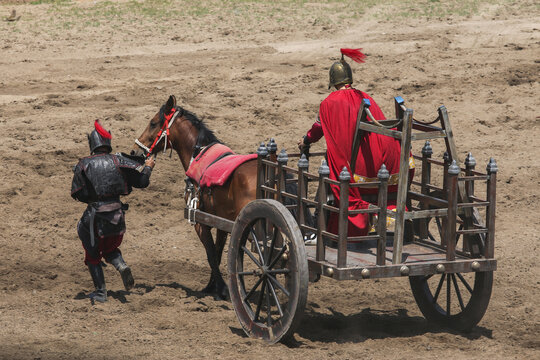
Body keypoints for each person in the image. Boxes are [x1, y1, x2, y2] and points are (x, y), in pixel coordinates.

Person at [298, 48, 412, 241]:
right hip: (390, 162)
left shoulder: (328, 102)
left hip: (361, 168)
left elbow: (318, 129)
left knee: (331, 170)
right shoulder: (365, 97)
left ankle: (322, 229)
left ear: (333, 82)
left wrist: (306, 140)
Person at [71, 120, 155, 303]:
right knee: (110, 248)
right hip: (117, 218)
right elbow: (142, 182)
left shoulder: (84, 164)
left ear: (92, 144)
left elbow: (79, 194)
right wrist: (148, 167)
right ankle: (121, 265)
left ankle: (100, 293)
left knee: (92, 254)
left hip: (95, 220)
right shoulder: (120, 160)